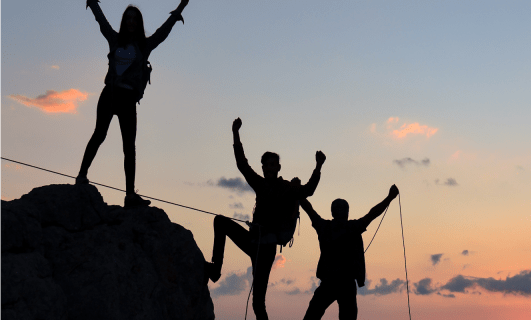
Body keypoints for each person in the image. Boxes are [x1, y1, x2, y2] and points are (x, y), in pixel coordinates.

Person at [205, 117, 325, 320]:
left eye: (272, 165)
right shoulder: (260, 184)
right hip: (252, 241)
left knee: (257, 303)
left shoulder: (287, 188)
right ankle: (216, 269)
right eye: (265, 165)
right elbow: (242, 164)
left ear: (278, 168)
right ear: (263, 169)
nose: (268, 168)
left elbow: (309, 190)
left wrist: (318, 166)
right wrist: (235, 133)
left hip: (266, 249)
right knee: (220, 221)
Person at [76, 0, 189, 207]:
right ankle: (81, 176)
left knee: (129, 147)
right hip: (110, 94)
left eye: (134, 19)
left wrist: (180, 8)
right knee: (99, 134)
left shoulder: (144, 46)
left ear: (139, 23)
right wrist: (92, 3)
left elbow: (163, 32)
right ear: (123, 21)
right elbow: (101, 21)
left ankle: (130, 195)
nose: (130, 22)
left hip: (128, 99)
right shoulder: (114, 39)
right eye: (128, 18)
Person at [300, 184, 399, 320]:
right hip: (346, 284)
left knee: (312, 315)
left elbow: (309, 209)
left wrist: (297, 192)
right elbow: (372, 213)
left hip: (328, 283)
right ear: (347, 212)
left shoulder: (324, 227)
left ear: (332, 212)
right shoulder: (353, 227)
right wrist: (390, 197)